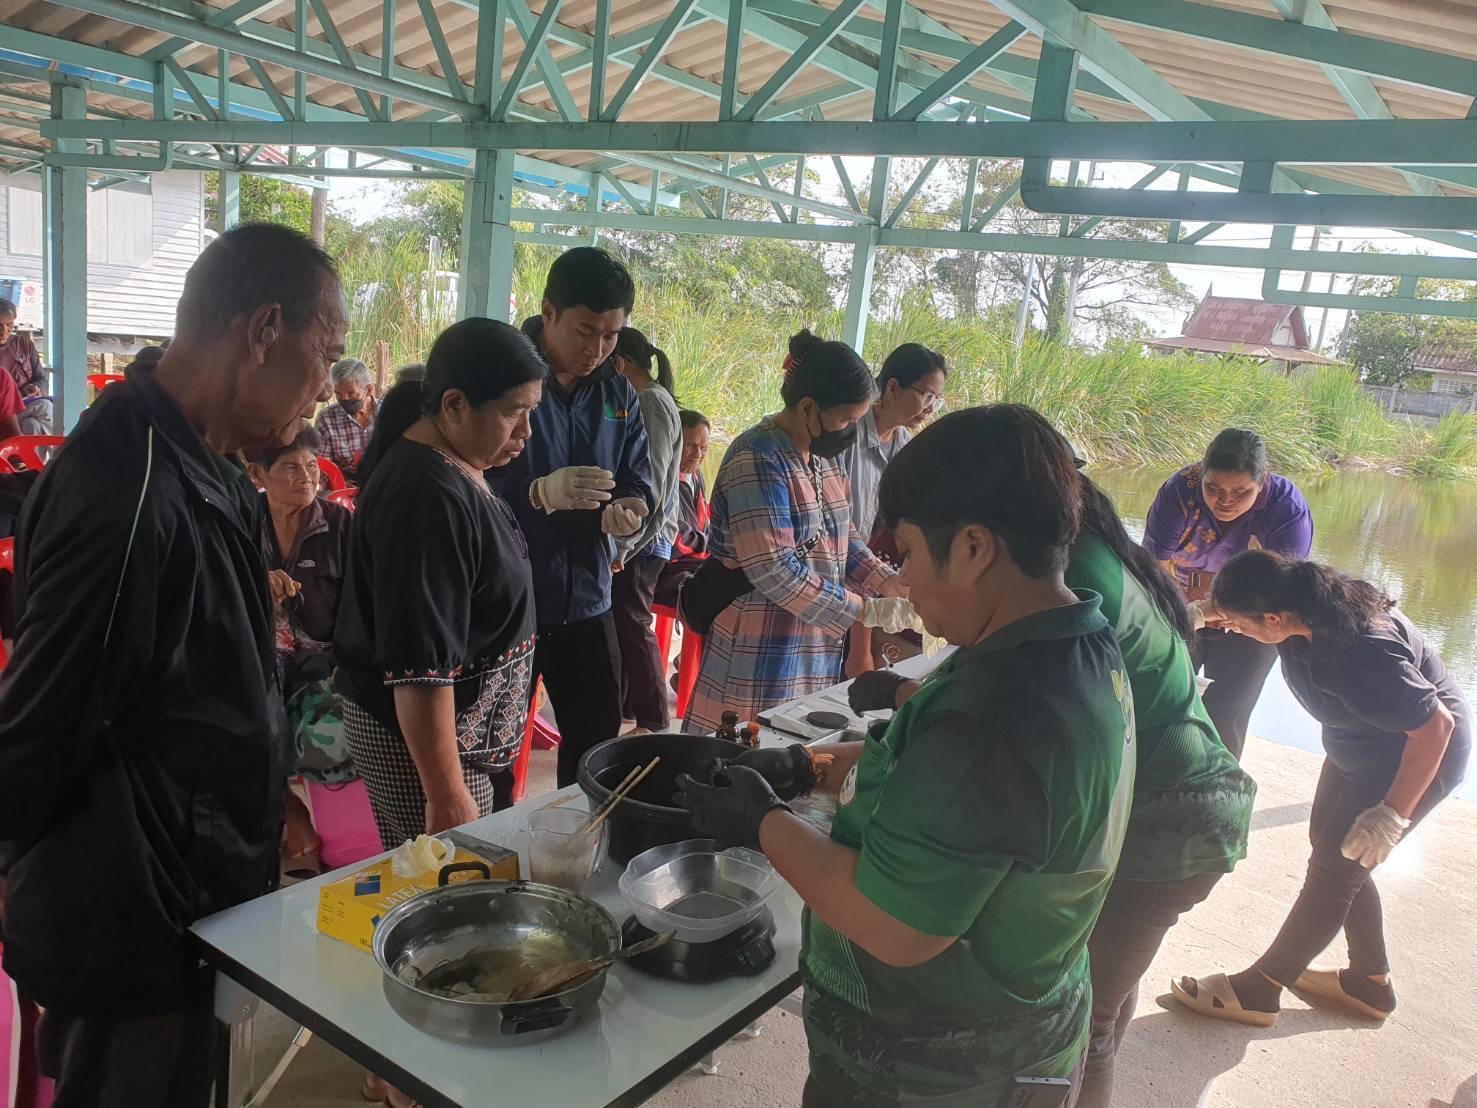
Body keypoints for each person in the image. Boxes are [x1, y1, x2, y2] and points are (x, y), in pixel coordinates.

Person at [676, 404, 1137, 1106]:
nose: (906, 584)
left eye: (911, 556)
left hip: (937, 1067)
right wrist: (809, 767)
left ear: (974, 547)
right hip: (1010, 1024)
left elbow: (894, 927)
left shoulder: (996, 715)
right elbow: (926, 770)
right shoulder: (1070, 639)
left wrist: (761, 821)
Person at [0, 222, 344, 1107]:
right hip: (131, 915)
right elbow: (41, 726)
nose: (327, 386)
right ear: (263, 330)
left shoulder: (209, 463)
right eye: (325, 352)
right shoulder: (129, 490)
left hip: (194, 881)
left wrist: (270, 787)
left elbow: (203, 673)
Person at [1173, 551, 1469, 1027]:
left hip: (1416, 755)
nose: (1235, 630)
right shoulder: (1300, 602)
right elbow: (1246, 608)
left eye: (1241, 624)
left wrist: (1392, 814)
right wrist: (1206, 611)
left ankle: (1260, 989)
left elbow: (1437, 727)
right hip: (1359, 743)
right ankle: (1369, 982)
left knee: (1336, 869)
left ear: (1274, 619)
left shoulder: (1363, 652)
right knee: (1333, 852)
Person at [1064, 479, 1256, 1108]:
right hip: (1189, 807)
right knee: (1108, 995)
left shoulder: (1071, 570)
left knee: (1085, 1024)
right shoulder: (1107, 554)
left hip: (1173, 822)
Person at [335, 317, 543, 849]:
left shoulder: (455, 464)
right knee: (446, 875)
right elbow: (419, 666)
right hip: (427, 748)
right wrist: (447, 793)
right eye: (514, 413)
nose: (526, 431)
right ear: (454, 405)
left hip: (462, 737)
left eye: (531, 412)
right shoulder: (425, 496)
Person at [681, 329, 901, 734]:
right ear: (808, 408)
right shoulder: (758, 458)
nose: (850, 431)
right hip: (760, 641)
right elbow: (774, 569)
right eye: (846, 420)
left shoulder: (824, 457)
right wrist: (861, 610)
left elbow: (844, 537)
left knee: (795, 740)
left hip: (812, 643)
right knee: (742, 745)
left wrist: (888, 582)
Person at [492, 247, 653, 786]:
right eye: (586, 332)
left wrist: (632, 508)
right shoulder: (501, 376)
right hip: (510, 601)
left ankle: (578, 837)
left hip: (588, 596)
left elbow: (637, 475)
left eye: (611, 336)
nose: (597, 349)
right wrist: (534, 492)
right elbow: (467, 479)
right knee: (492, 748)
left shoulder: (616, 390)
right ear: (549, 312)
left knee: (596, 747)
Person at [1143, 428, 1313, 759]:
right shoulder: (1180, 491)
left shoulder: (1286, 509)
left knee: (1228, 714)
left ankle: (1218, 785)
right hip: (1180, 604)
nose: (1225, 501)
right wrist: (1184, 613)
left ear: (1262, 482)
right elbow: (1155, 566)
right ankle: (1154, 777)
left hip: (1252, 618)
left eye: (1240, 491)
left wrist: (1218, 612)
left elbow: (1282, 588)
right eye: (1214, 488)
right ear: (1201, 474)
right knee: (1162, 698)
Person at [244, 423, 365, 874]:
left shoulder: (340, 525)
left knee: (333, 724)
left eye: (312, 466)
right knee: (245, 710)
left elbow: (361, 604)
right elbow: (213, 596)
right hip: (258, 651)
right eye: (291, 467)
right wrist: (257, 587)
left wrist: (345, 663)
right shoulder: (241, 523)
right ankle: (289, 810)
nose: (306, 477)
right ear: (258, 474)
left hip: (326, 655)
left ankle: (335, 830)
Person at [836, 342, 948, 677]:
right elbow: (839, 530)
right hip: (829, 581)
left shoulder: (906, 452)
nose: (930, 408)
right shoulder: (844, 438)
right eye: (926, 395)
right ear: (893, 387)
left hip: (866, 583)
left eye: (937, 399)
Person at [610, 326, 683, 733]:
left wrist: (622, 546)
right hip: (644, 537)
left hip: (645, 539)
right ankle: (630, 708)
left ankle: (654, 720)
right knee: (625, 623)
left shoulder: (651, 402)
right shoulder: (649, 399)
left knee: (633, 623)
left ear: (620, 364)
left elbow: (650, 484)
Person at [654, 408, 713, 610]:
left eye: (704, 448)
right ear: (674, 441)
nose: (698, 454)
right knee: (709, 594)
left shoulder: (696, 476)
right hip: (665, 569)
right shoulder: (665, 479)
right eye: (690, 446)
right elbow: (674, 538)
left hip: (691, 562)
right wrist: (708, 543)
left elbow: (704, 523)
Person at [315, 356, 376, 482]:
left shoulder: (387, 413)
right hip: (345, 487)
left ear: (369, 390)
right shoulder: (327, 419)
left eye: (351, 393)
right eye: (338, 393)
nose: (344, 398)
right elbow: (323, 469)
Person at [0, 300, 49, 435]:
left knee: (31, 425)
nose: (4, 331)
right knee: (45, 407)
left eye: (9, 325)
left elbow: (42, 378)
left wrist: (36, 388)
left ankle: (27, 449)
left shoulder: (24, 344)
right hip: (5, 411)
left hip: (26, 404)